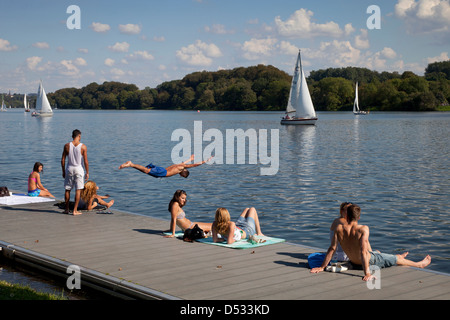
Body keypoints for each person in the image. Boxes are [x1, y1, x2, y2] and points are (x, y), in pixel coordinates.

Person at [311, 204, 431, 281]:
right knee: (393, 259)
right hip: (369, 261)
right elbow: (364, 252)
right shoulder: (363, 229)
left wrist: (322, 267)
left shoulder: (338, 229)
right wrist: (367, 273)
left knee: (381, 255)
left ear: (346, 217)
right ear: (358, 217)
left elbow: (331, 249)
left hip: (353, 261)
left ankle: (397, 256)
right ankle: (419, 264)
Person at [61, 129, 89, 215]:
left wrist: (63, 171)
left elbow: (62, 160)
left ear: (72, 136)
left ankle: (66, 209)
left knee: (67, 189)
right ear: (79, 136)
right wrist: (87, 172)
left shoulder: (66, 146)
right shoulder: (83, 146)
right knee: (78, 190)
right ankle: (75, 210)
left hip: (69, 168)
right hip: (78, 169)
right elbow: (85, 161)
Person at [118, 155, 212, 178]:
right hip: (163, 172)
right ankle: (131, 164)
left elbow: (185, 162)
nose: (180, 176)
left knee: (146, 171)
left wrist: (190, 158)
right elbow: (196, 165)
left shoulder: (181, 165)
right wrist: (206, 161)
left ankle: (131, 165)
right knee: (146, 170)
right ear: (185, 172)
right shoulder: (182, 168)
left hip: (162, 170)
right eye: (182, 176)